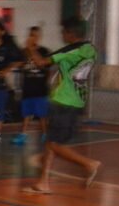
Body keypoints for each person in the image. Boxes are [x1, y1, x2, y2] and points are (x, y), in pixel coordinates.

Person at [24, 18, 101, 194]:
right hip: (77, 100)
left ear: (70, 34)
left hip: (64, 102)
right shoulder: (90, 49)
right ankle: (43, 182)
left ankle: (89, 164)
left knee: (55, 145)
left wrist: (30, 47)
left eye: (64, 32)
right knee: (51, 140)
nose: (62, 35)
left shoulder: (70, 50)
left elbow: (41, 62)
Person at [11, 26, 51, 145]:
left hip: (40, 90)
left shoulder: (44, 51)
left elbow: (43, 65)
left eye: (35, 35)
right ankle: (23, 134)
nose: (32, 38)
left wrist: (32, 50)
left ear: (39, 37)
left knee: (42, 115)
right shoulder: (24, 52)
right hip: (27, 89)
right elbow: (17, 64)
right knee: (26, 114)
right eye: (31, 35)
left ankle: (45, 134)